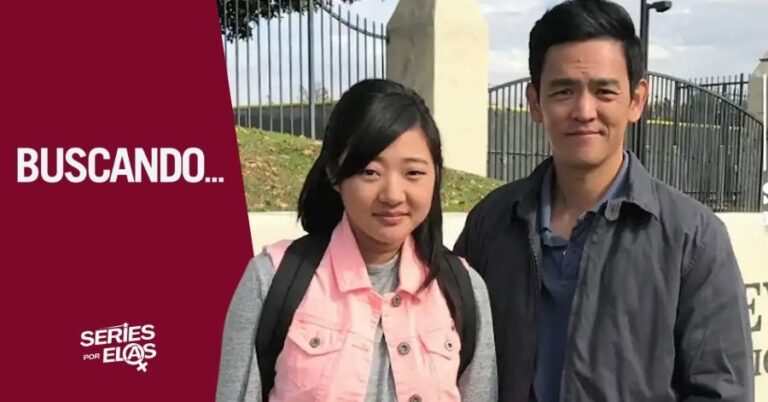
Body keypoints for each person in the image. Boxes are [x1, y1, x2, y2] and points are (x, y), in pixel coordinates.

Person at [453, 1, 753, 401]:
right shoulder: (491, 223)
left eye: (604, 91)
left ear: (636, 100)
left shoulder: (692, 239)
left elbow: (722, 391)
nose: (584, 111)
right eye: (563, 91)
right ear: (535, 102)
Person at [217, 79, 497, 402]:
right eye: (370, 172)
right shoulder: (270, 280)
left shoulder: (464, 288)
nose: (392, 195)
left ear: (435, 175)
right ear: (334, 173)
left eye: (413, 173)